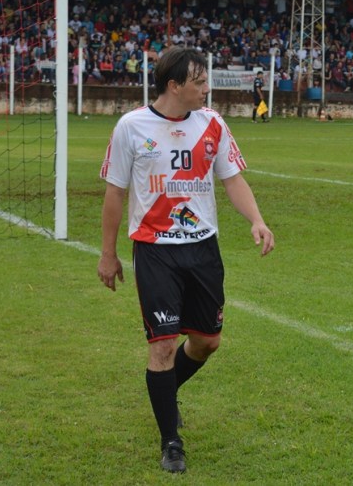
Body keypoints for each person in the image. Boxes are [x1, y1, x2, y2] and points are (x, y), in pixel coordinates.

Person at [97, 47, 275, 474]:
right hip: (155, 250)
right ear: (174, 86)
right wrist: (108, 254)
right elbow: (115, 193)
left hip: (203, 249)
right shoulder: (131, 127)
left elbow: (232, 179)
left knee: (206, 342)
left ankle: (164, 394)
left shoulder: (212, 123)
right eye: (198, 81)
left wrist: (257, 220)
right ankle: (170, 441)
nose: (205, 89)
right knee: (161, 346)